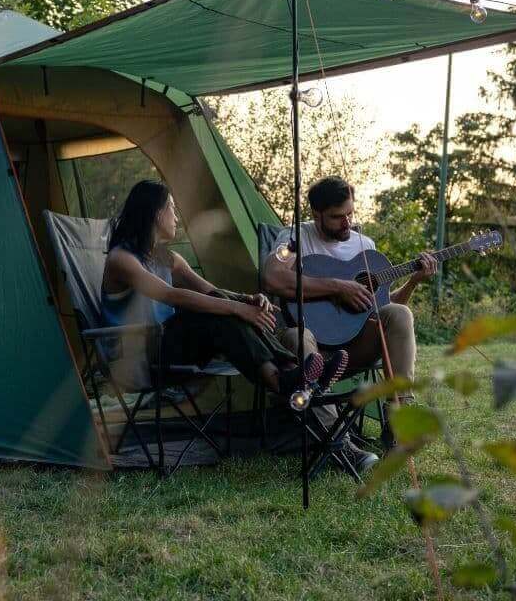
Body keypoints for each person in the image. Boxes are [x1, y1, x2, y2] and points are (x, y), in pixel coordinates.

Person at [101, 180, 348, 398]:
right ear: (156, 213)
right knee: (222, 315)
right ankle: (285, 378)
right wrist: (237, 308)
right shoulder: (122, 259)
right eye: (172, 209)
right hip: (137, 359)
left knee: (223, 309)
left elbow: (210, 291)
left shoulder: (169, 258)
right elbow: (170, 295)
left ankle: (294, 374)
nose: (177, 217)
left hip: (166, 346)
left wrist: (247, 300)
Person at [261, 175, 437, 446]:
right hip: (312, 353)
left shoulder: (364, 247)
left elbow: (382, 308)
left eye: (350, 214)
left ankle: (398, 423)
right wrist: (337, 287)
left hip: (353, 349)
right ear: (316, 214)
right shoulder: (294, 238)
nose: (347, 223)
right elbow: (273, 276)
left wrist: (413, 281)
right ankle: (340, 442)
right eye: (336, 217)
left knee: (400, 314)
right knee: (298, 335)